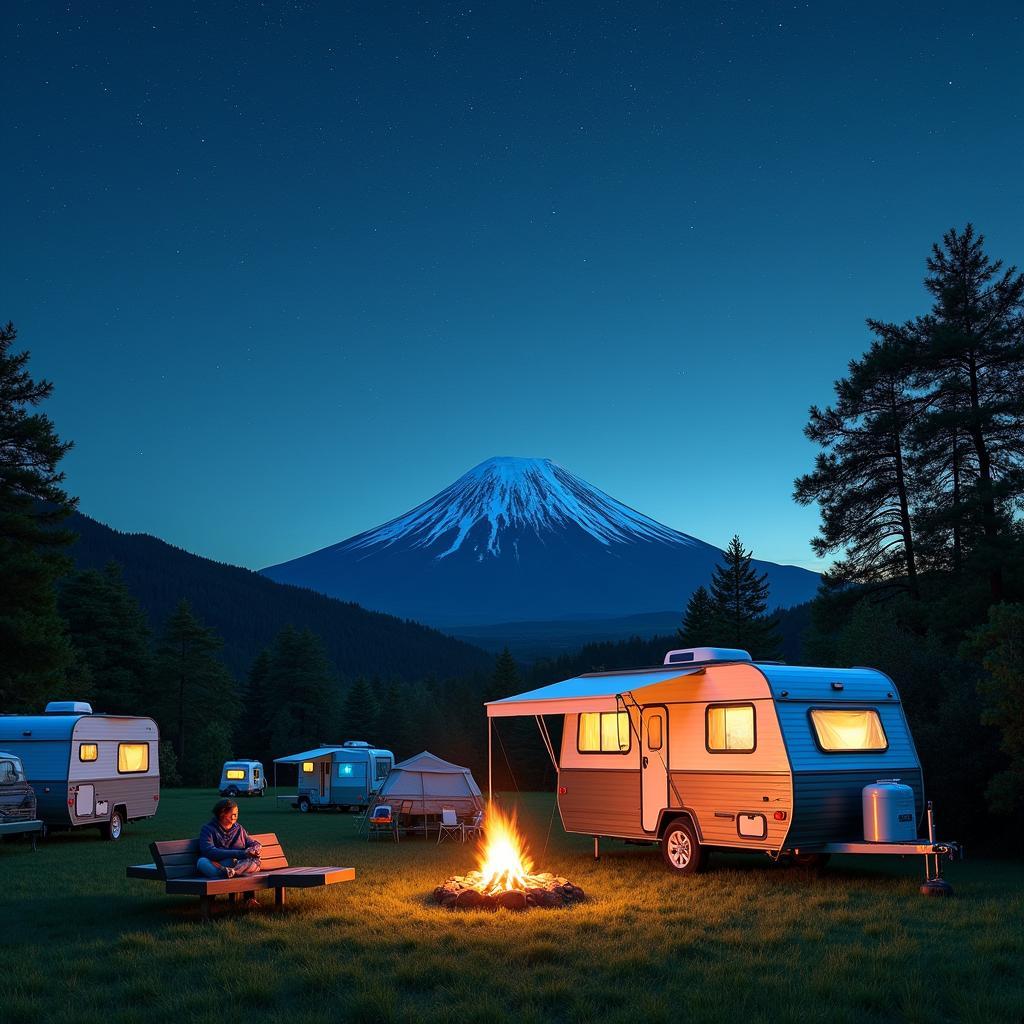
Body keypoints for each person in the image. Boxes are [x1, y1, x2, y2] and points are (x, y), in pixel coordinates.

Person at [197, 798, 263, 907]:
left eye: (236, 814)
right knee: (202, 862)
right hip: (214, 863)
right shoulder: (208, 829)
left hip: (235, 864)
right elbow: (209, 851)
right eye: (232, 814)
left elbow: (251, 842)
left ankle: (232, 873)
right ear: (222, 814)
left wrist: (255, 848)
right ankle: (232, 875)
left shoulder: (239, 828)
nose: (235, 817)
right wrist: (239, 853)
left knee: (251, 862)